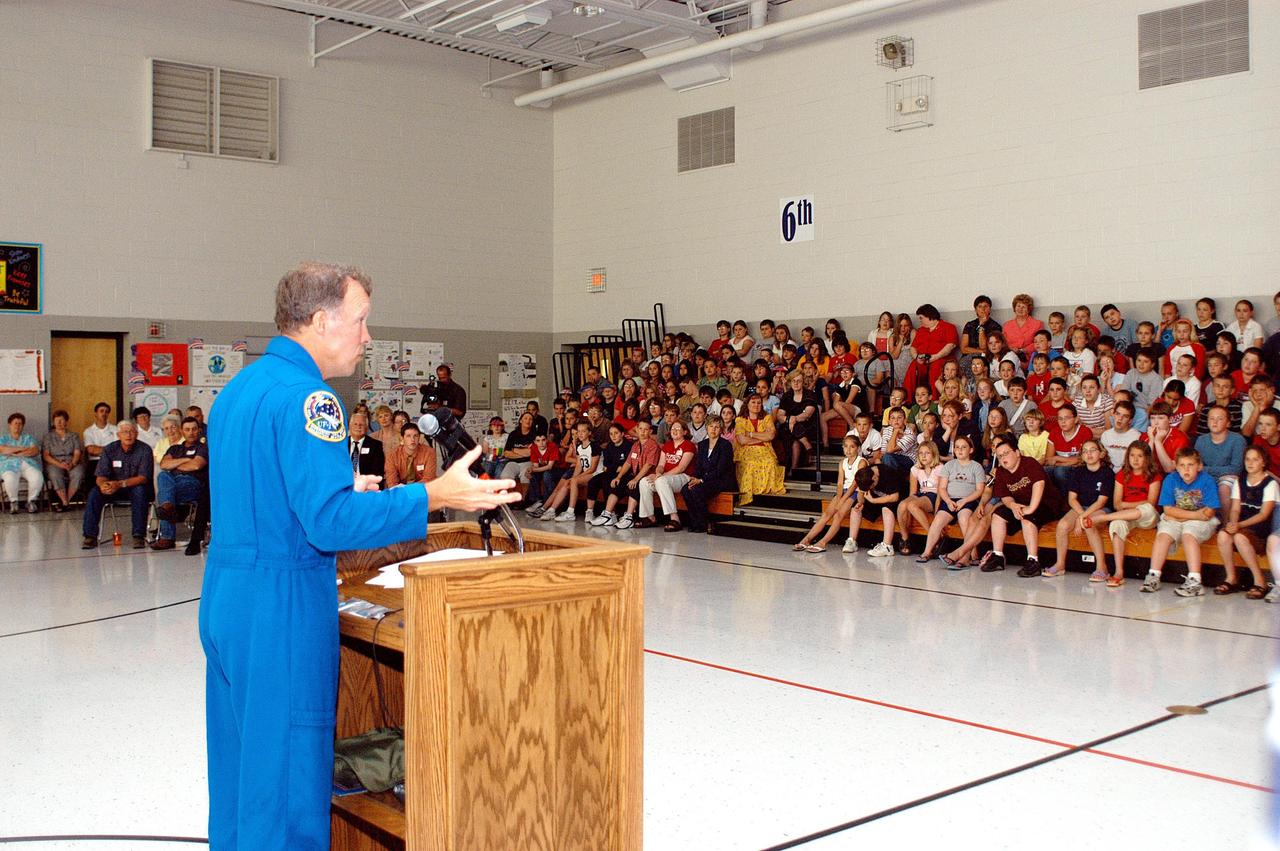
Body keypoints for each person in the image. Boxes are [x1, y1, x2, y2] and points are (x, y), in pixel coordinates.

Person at [198, 262, 517, 851]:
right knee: (292, 782)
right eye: (361, 321)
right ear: (321, 321)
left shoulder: (241, 388)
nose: (368, 338)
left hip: (228, 595)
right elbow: (327, 523)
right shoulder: (311, 398)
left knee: (244, 771)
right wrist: (435, 494)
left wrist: (347, 490)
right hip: (281, 604)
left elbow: (273, 496)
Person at [1141, 447, 1221, 597]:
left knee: (1188, 535)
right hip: (1189, 516)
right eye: (1182, 465)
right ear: (1176, 466)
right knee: (1163, 536)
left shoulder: (1207, 481)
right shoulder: (1171, 479)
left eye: (1190, 465)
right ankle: (1153, 576)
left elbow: (1209, 512)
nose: (1186, 469)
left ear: (1199, 466)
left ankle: (1195, 581)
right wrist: (1193, 514)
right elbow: (1168, 509)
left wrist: (1183, 516)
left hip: (1202, 521)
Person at [986, 440, 1065, 576]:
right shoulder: (1000, 472)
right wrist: (1013, 505)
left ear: (1017, 453)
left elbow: (1038, 485)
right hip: (1021, 504)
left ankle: (1033, 561)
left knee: (1028, 517)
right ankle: (998, 556)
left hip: (1046, 504)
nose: (1003, 458)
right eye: (999, 456)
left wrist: (1031, 508)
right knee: (998, 515)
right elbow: (1005, 496)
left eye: (1006, 453)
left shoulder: (1029, 463)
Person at [1044, 439, 1114, 579]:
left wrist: (1082, 518)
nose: (1089, 454)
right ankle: (1060, 564)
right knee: (1062, 525)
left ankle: (1102, 567)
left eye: (1093, 450)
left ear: (1101, 453)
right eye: (1085, 451)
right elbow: (1072, 499)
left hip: (1101, 509)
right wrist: (1081, 515)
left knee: (1088, 523)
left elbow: (1101, 502)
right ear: (1081, 456)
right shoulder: (1078, 472)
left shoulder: (1107, 473)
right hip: (1081, 508)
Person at [1214, 445, 1276, 598]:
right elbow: (1235, 508)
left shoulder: (1270, 483)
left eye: (1255, 459)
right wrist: (1233, 524)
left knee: (1240, 537)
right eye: (1248, 459)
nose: (1250, 463)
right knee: (1223, 535)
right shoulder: (1240, 481)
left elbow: (1264, 514)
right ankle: (1231, 578)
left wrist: (1239, 526)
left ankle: (1259, 580)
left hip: (1259, 528)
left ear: (1263, 462)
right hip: (1241, 526)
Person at [81, 421, 153, 549]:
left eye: (131, 432)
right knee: (94, 493)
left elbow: (143, 478)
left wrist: (120, 484)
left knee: (140, 491)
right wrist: (104, 485)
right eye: (125, 432)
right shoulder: (109, 449)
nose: (129, 435)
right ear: (118, 435)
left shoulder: (145, 449)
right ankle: (90, 536)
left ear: (136, 434)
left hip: (134, 486)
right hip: (113, 488)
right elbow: (100, 475)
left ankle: (138, 535)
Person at [920, 434, 986, 564]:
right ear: (954, 450)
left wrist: (965, 501)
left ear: (971, 450)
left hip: (968, 500)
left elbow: (980, 490)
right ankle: (927, 551)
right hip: (950, 500)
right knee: (938, 520)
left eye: (963, 447)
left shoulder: (976, 466)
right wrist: (949, 501)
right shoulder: (949, 466)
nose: (960, 450)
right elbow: (942, 488)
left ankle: (970, 554)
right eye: (957, 447)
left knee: (964, 518)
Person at [794, 433, 865, 553]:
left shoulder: (861, 462)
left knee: (838, 515)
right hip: (843, 491)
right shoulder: (842, 462)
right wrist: (838, 498)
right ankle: (807, 539)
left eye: (852, 447)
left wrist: (842, 501)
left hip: (855, 493)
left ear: (858, 448)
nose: (848, 450)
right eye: (845, 446)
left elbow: (854, 485)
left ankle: (822, 542)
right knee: (826, 514)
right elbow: (840, 483)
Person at [151, 416, 209, 553]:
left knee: (165, 491)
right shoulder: (175, 448)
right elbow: (164, 464)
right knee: (163, 475)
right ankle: (168, 507)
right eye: (187, 429)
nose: (191, 432)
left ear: (199, 430)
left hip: (193, 484)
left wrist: (175, 465)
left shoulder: (204, 448)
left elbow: (196, 465)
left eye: (194, 429)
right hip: (173, 484)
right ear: (182, 431)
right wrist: (186, 460)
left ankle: (167, 537)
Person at [636, 419, 696, 530]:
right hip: (667, 478)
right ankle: (649, 517)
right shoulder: (667, 445)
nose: (675, 430)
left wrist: (661, 476)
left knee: (661, 481)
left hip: (684, 477)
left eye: (678, 429)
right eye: (673, 428)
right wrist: (658, 473)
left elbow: (681, 467)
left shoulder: (689, 445)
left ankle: (674, 518)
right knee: (644, 481)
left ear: (685, 432)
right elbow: (661, 465)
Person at [680, 416, 736, 533]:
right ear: (707, 428)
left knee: (697, 489)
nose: (713, 429)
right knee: (686, 489)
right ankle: (694, 521)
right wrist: (695, 478)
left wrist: (701, 480)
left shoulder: (725, 445)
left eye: (716, 427)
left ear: (721, 430)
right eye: (711, 426)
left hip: (722, 480)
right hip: (706, 479)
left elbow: (720, 470)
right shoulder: (702, 444)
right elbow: (699, 466)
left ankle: (703, 522)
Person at [606, 419, 660, 530]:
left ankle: (629, 517)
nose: (642, 432)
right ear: (636, 429)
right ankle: (607, 514)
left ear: (650, 431)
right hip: (636, 474)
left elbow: (648, 465)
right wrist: (618, 476)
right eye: (640, 429)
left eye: (646, 429)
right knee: (619, 482)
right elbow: (628, 462)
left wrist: (635, 479)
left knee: (635, 485)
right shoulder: (635, 445)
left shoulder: (652, 445)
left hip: (648, 477)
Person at [896, 440, 942, 555]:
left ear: (934, 454)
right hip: (921, 495)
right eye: (921, 453)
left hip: (934, 495)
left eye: (927, 453)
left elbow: (941, 492)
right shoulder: (915, 469)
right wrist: (908, 504)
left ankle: (933, 535)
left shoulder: (940, 468)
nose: (923, 456)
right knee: (902, 505)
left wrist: (937, 510)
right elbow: (912, 493)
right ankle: (905, 538)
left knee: (912, 505)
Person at [42, 409, 84, 512]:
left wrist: (73, 463)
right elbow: (46, 455)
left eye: (62, 420)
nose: (60, 423)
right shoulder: (48, 437)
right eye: (57, 420)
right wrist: (60, 465)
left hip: (72, 461)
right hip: (54, 462)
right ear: (53, 422)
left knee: (78, 473)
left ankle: (67, 501)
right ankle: (64, 501)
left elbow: (77, 452)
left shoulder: (74, 436)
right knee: (55, 474)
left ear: (66, 421)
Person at [1, 413, 43, 513]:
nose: (17, 426)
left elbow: (34, 451)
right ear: (9, 425)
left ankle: (31, 502)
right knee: (9, 478)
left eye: (20, 424)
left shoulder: (28, 438)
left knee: (37, 477)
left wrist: (13, 452)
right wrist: (22, 449)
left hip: (28, 464)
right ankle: (13, 502)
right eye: (15, 423)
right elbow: (3, 450)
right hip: (9, 465)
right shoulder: (3, 438)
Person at [382, 421, 437, 487]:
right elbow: (392, 482)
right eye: (408, 436)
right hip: (401, 491)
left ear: (419, 437)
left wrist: (409, 489)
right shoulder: (392, 455)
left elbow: (429, 479)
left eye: (415, 436)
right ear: (402, 439)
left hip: (423, 489)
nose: (412, 439)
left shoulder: (429, 452)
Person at [1100, 401, 1143, 471]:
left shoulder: (1137, 436)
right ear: (1113, 415)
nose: (1120, 418)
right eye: (1118, 414)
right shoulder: (1105, 435)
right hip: (1108, 473)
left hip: (1128, 472)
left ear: (1130, 421)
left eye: (1125, 416)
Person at [347, 411, 385, 478]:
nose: (358, 426)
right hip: (344, 484)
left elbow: (377, 473)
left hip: (366, 485)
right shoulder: (341, 444)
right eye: (355, 424)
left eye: (362, 424)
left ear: (367, 428)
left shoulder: (376, 446)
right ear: (350, 426)